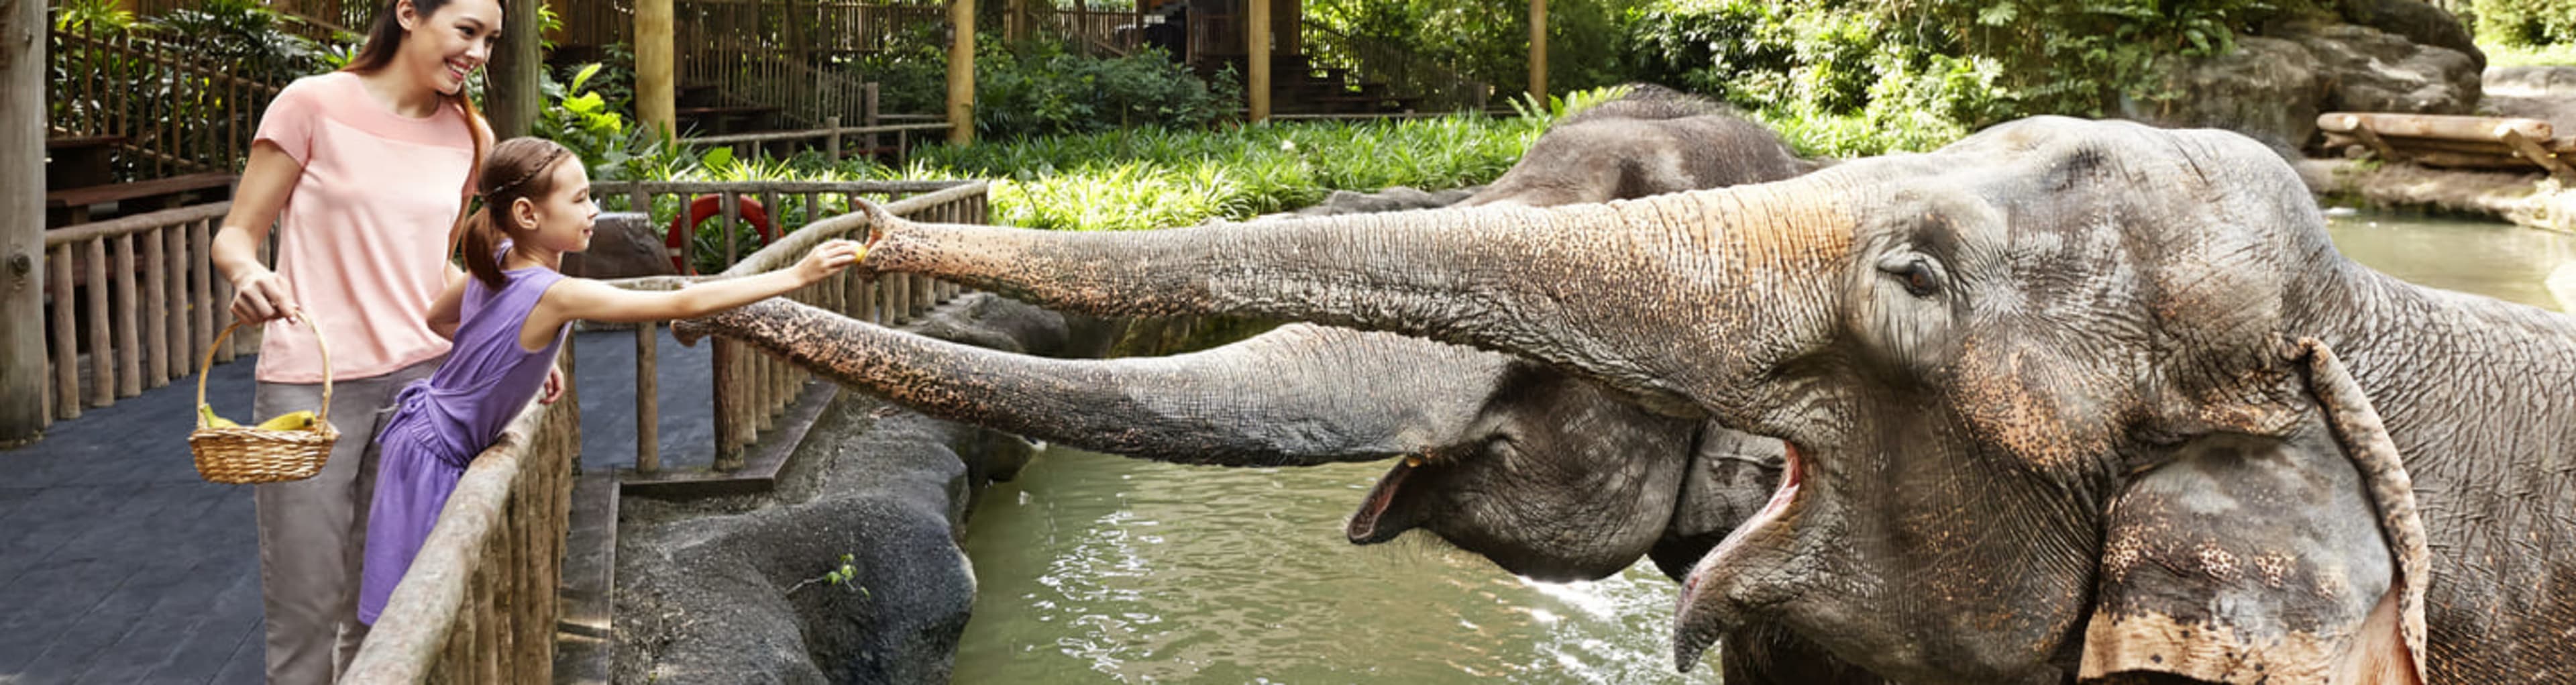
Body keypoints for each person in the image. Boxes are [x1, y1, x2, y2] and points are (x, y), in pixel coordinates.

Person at [358, 137, 865, 624]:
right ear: (528, 215)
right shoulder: (554, 291)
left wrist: (525, 359)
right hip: (434, 455)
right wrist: (797, 274)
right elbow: (682, 302)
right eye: (579, 199)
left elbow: (440, 319)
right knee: (411, 610)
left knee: (428, 602)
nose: (593, 209)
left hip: (420, 434)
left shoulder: (498, 259)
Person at [207, 1, 538, 682]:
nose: (479, 54)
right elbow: (237, 233)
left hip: (421, 388)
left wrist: (511, 341)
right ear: (409, 13)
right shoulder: (310, 105)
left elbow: (439, 268)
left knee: (382, 602)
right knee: (303, 604)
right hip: (310, 385)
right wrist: (248, 272)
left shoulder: (471, 135)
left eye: (492, 41)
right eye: (467, 32)